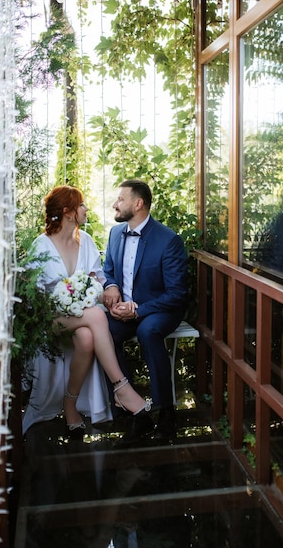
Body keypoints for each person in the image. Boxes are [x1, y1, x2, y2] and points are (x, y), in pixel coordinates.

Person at [22, 185, 153, 440]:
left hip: (78, 317)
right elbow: (32, 300)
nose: (86, 209)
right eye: (81, 205)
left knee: (86, 338)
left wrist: (112, 299)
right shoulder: (41, 246)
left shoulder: (87, 242)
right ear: (68, 211)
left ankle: (70, 405)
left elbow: (98, 280)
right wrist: (64, 300)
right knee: (95, 316)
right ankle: (121, 387)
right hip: (48, 319)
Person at [103, 179, 188, 442]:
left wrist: (138, 309)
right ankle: (134, 410)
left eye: (121, 199)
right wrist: (112, 284)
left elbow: (177, 294)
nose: (115, 204)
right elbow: (107, 270)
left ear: (138, 204)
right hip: (124, 309)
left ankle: (166, 412)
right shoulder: (116, 234)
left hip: (159, 309)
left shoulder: (168, 240)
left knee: (148, 331)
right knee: (102, 332)